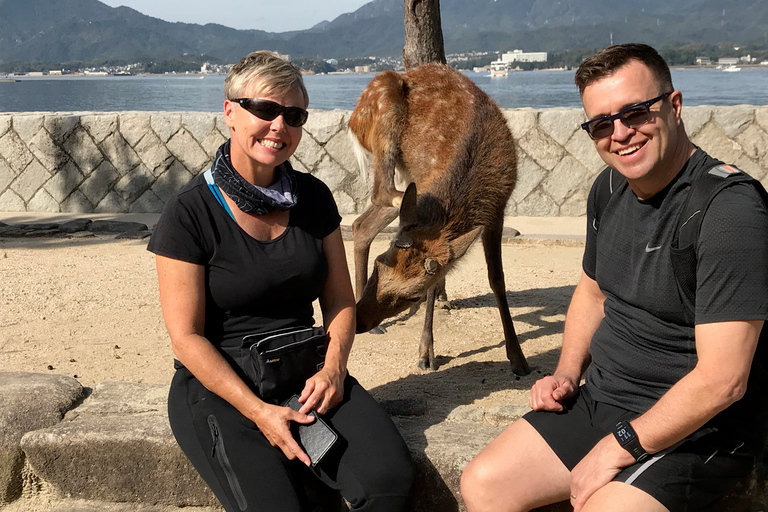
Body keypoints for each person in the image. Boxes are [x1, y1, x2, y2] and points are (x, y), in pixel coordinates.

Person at [460, 43, 768, 512]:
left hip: (699, 426)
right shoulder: (608, 188)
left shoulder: (729, 210)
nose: (621, 134)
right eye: (602, 123)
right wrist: (565, 373)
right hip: (602, 398)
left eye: (636, 113)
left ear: (675, 105)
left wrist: (615, 447)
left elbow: (723, 381)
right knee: (484, 484)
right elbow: (593, 290)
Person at [148, 51, 414, 512]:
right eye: (265, 109)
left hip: (305, 370)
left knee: (389, 483)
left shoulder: (312, 197)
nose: (279, 126)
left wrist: (333, 370)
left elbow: (339, 301)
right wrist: (260, 413)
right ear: (230, 111)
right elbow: (186, 339)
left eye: (293, 115)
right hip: (221, 386)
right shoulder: (189, 211)